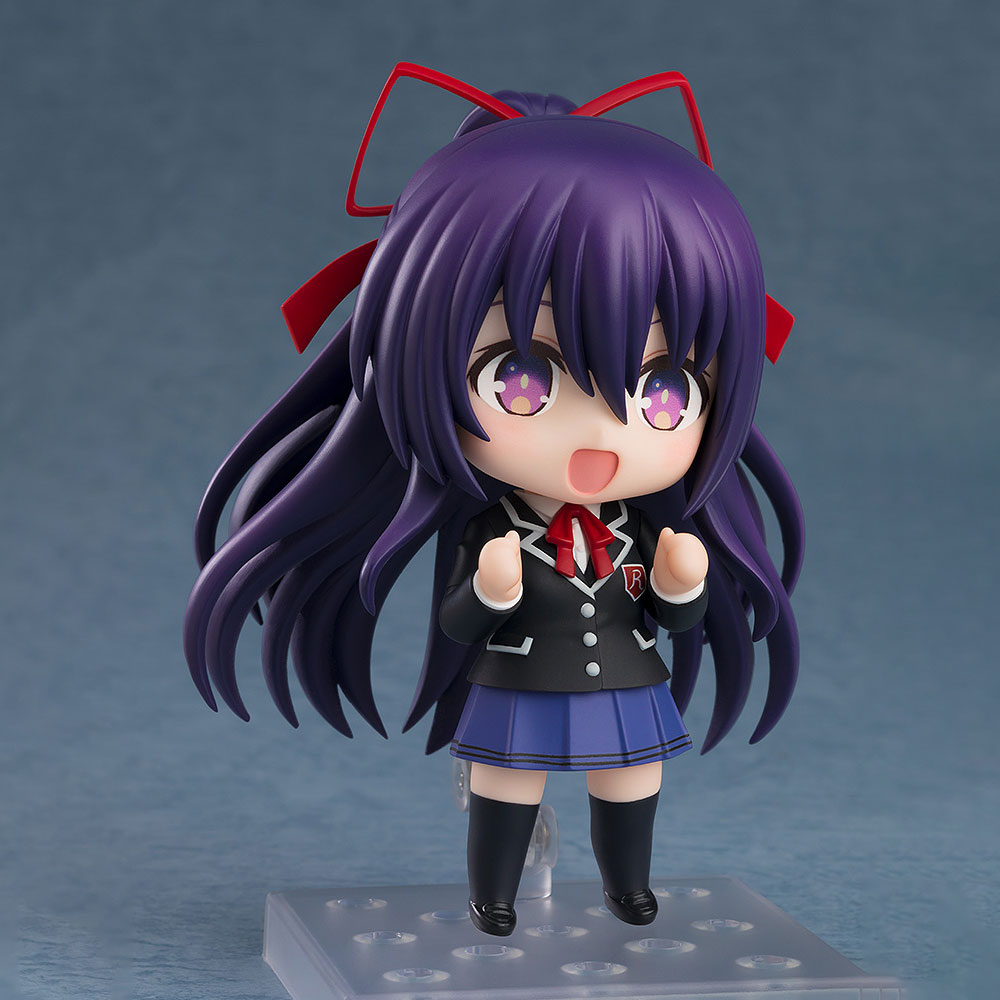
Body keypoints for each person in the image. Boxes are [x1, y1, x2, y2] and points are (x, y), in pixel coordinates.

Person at [184, 64, 803, 937]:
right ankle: (495, 895)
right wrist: (491, 589)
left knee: (633, 776)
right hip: (519, 676)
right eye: (523, 377)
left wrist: (682, 582)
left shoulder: (637, 527)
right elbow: (459, 622)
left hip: (626, 675)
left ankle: (628, 885)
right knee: (507, 781)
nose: (603, 434)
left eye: (665, 389)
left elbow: (673, 616)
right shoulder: (495, 529)